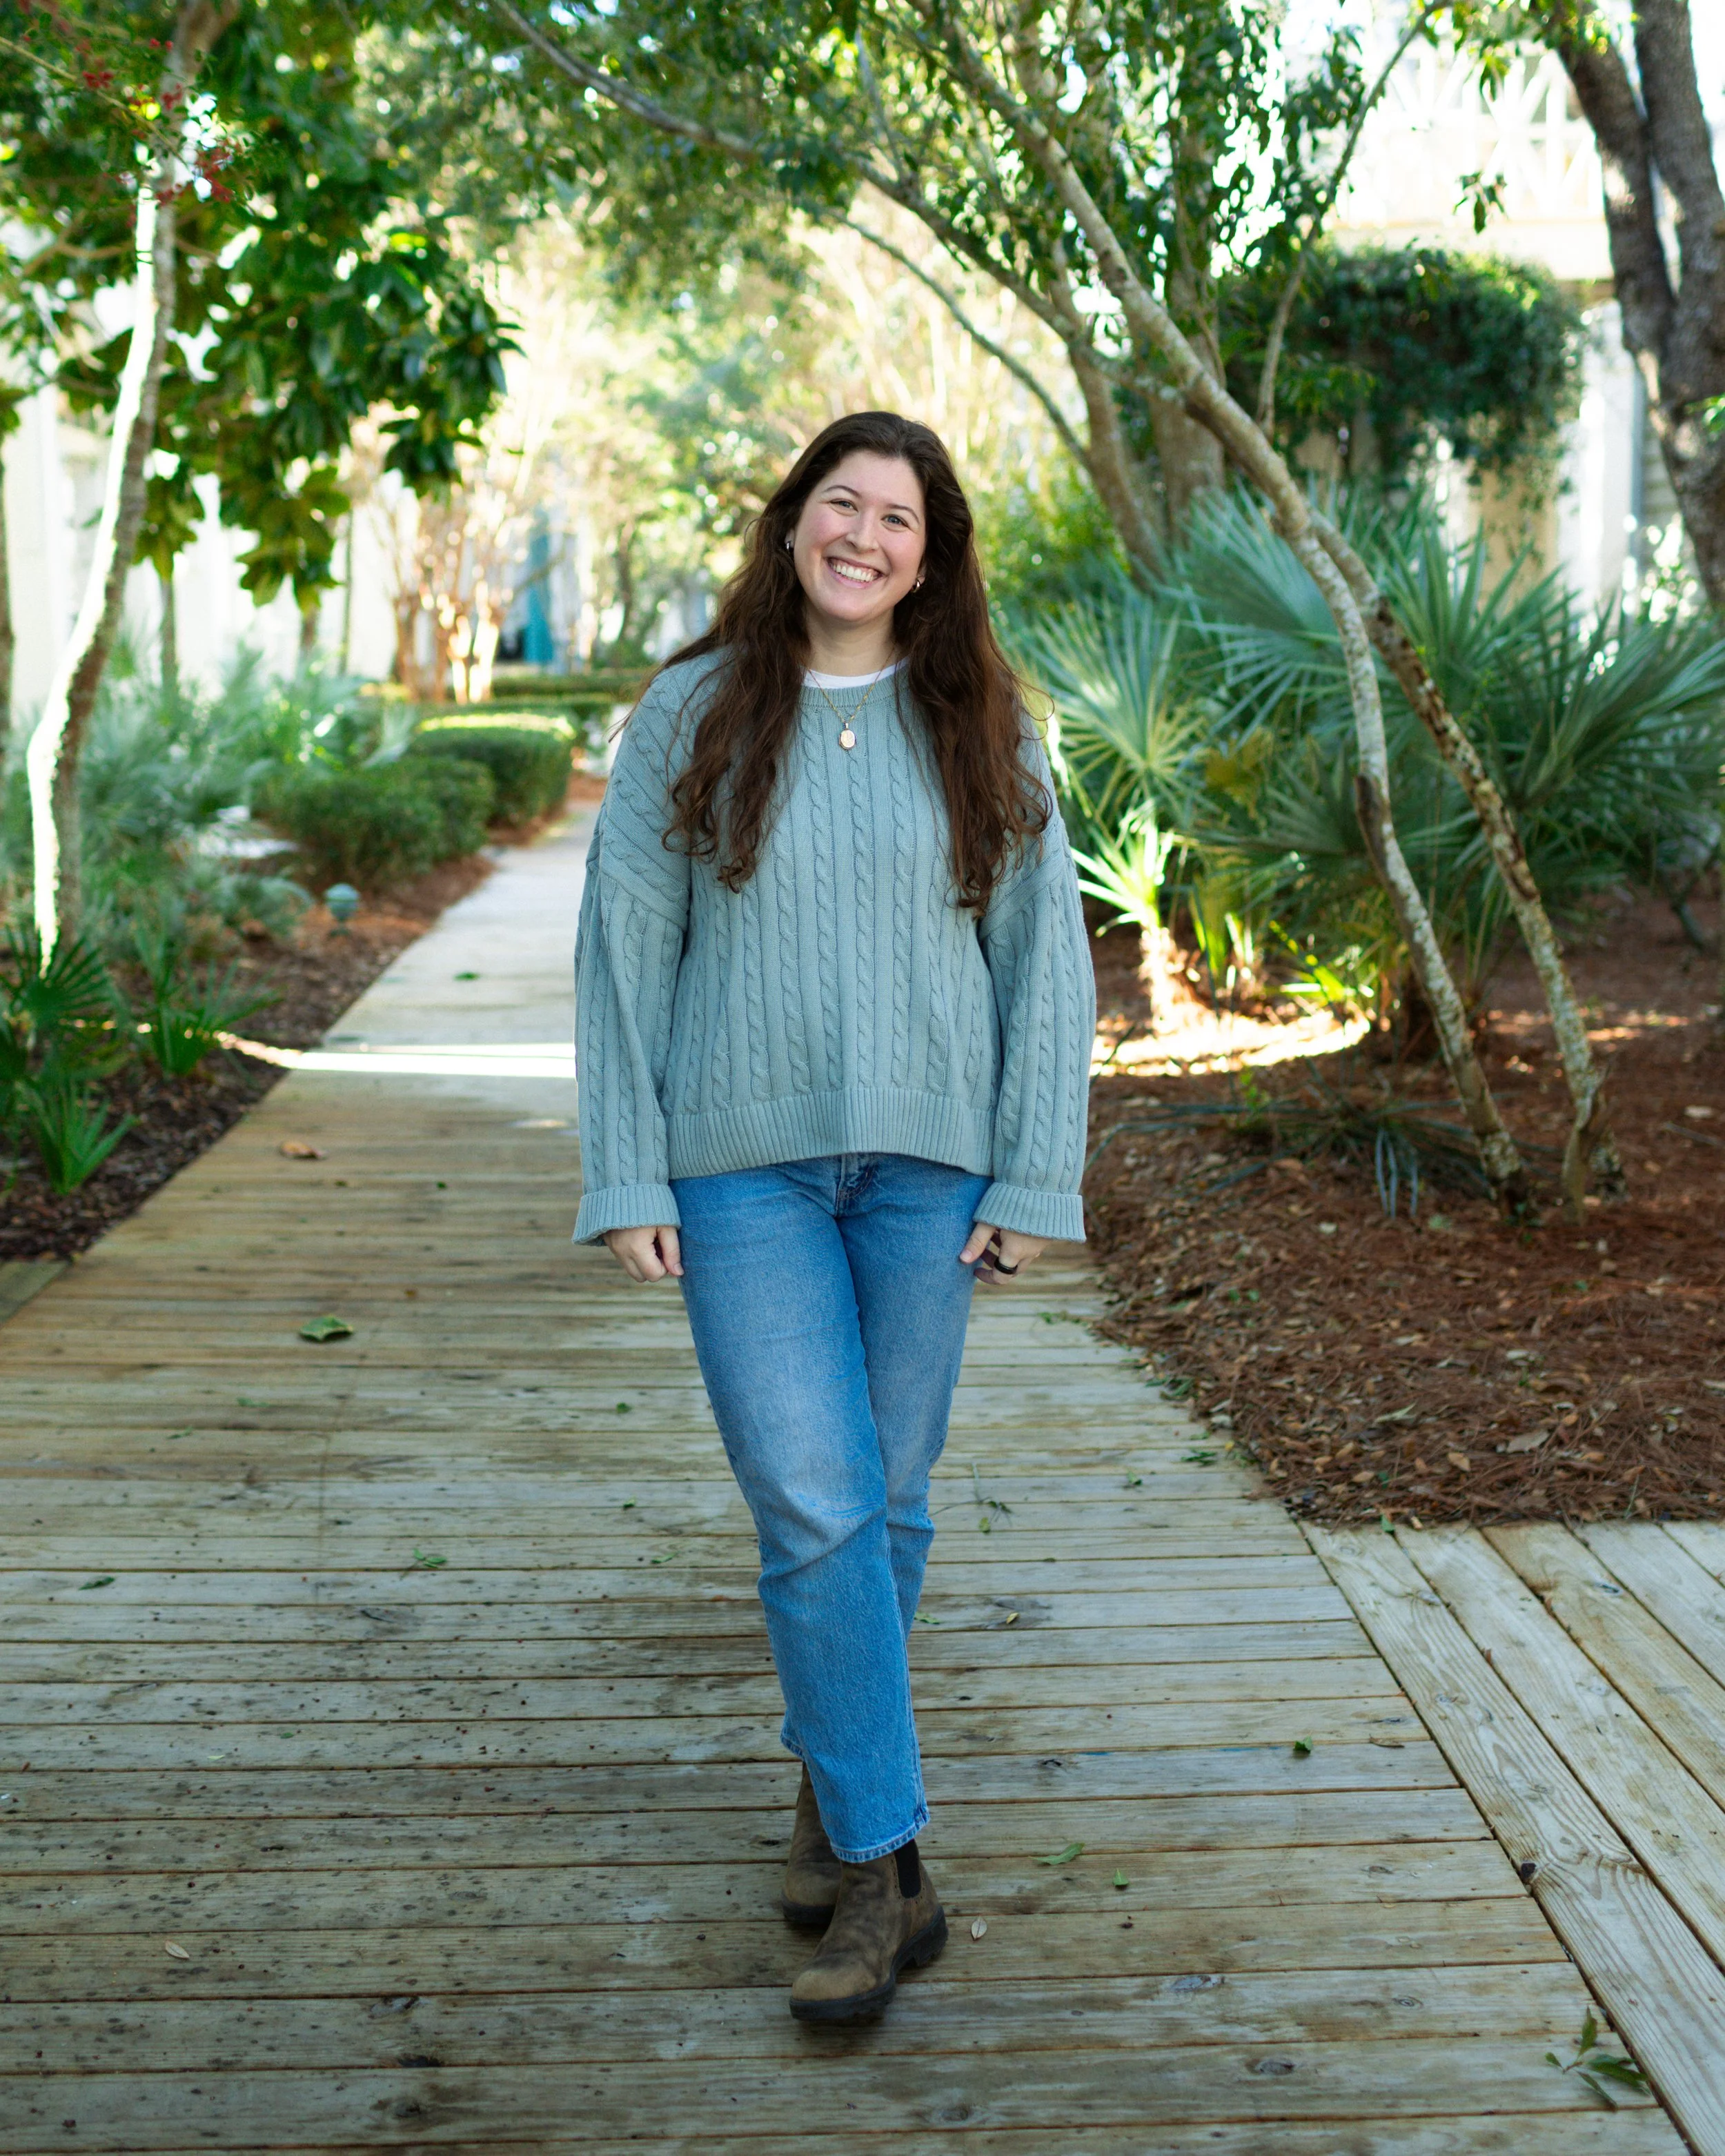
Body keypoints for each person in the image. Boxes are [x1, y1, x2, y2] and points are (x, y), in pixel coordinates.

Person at [573, 410, 1093, 2023]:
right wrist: (624, 1167)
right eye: (839, 503)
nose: (862, 536)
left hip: (930, 1170)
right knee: (812, 1495)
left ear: (929, 559)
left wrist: (1030, 1175)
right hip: (742, 1170)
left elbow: (1043, 968)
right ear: (791, 518)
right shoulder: (691, 709)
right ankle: (885, 1868)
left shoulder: (982, 721)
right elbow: (619, 947)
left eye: (899, 519)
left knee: (892, 1495)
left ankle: (828, 1794)